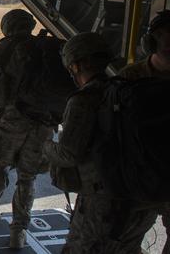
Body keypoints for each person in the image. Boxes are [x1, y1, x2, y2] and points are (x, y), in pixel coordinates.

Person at [43, 32, 158, 253]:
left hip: (104, 203)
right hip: (142, 199)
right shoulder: (129, 90)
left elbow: (69, 154)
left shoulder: (85, 100)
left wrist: (47, 145)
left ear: (76, 65)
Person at [0, 9, 54, 249]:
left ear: (7, 26)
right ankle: (18, 230)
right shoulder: (47, 48)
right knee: (27, 177)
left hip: (12, 119)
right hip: (44, 124)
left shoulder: (5, 48)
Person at [118, 10, 170, 254]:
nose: (168, 43)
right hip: (139, 175)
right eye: (161, 36)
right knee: (125, 240)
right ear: (151, 41)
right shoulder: (130, 77)